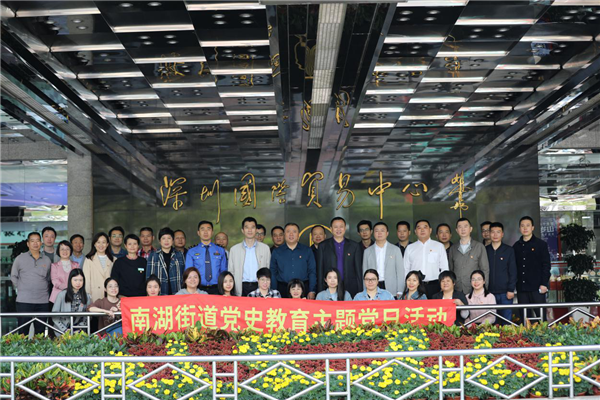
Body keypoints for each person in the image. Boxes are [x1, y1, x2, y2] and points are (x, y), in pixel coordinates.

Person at [10, 232, 52, 335]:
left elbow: (49, 279)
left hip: (42, 301)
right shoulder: (20, 259)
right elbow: (13, 276)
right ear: (28, 244)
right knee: (23, 332)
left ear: (41, 243)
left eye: (37, 241)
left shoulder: (47, 260)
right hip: (24, 301)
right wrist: (21, 288)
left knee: (40, 332)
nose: (35, 243)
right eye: (32, 241)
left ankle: (39, 346)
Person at [513, 216, 551, 322]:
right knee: (524, 319)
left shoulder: (541, 244)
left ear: (532, 227)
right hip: (522, 288)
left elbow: (546, 265)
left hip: (537, 288)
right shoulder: (516, 246)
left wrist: (544, 284)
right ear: (519, 228)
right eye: (522, 226)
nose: (525, 228)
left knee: (541, 318)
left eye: (528, 225)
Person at [317, 217, 363, 297]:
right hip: (329, 287)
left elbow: (358, 271)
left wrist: (360, 291)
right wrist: (320, 290)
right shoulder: (323, 246)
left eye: (341, 226)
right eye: (335, 227)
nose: (338, 229)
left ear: (345, 228)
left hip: (350, 286)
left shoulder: (354, 246)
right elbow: (320, 270)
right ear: (331, 229)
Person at [404, 220, 449, 298]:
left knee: (434, 305)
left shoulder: (439, 246)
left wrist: (444, 285)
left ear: (430, 230)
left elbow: (444, 267)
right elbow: (406, 269)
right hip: (416, 286)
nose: (422, 230)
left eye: (425, 227)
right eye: (419, 228)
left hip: (435, 285)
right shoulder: (410, 248)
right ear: (415, 231)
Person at [271, 223, 317, 299]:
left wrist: (312, 290)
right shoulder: (277, 252)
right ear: (284, 234)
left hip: (302, 289)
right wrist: (274, 292)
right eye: (288, 231)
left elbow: (312, 271)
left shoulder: (307, 250)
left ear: (298, 234)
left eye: (294, 232)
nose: (291, 234)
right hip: (282, 289)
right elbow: (273, 273)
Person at [229, 217, 271, 296]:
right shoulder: (234, 250)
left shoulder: (265, 248)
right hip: (241, 287)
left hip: (260, 286)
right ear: (242, 230)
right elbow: (231, 272)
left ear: (256, 230)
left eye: (252, 227)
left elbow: (268, 269)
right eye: (247, 227)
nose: (250, 230)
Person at [362, 222, 405, 298]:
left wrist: (400, 290)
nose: (379, 233)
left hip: (391, 287)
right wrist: (365, 290)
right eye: (377, 231)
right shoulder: (367, 251)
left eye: (382, 230)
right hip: (373, 286)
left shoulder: (395, 250)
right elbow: (364, 272)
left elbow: (400, 271)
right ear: (373, 233)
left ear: (387, 233)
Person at [448, 218, 489, 295]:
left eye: (465, 226)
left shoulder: (479, 246)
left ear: (471, 229)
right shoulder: (453, 248)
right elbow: (451, 270)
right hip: (457, 289)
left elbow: (485, 270)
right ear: (456, 230)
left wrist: (484, 289)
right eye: (460, 227)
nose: (463, 229)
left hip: (474, 289)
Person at [486, 222, 517, 324]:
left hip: (505, 293)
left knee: (506, 322)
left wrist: (511, 289)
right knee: (491, 322)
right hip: (489, 293)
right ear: (489, 234)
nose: (495, 235)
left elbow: (513, 271)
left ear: (502, 234)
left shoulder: (509, 250)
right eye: (493, 232)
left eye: (498, 232)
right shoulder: (485, 250)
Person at [186, 221, 227, 294]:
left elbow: (223, 272)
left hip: (217, 289)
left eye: (208, 229)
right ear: (198, 233)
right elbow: (188, 273)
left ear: (212, 232)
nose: (205, 232)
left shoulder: (220, 250)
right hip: (198, 289)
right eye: (202, 229)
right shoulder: (191, 251)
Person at [146, 227, 185, 296]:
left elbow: (184, 275)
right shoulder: (153, 255)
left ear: (172, 240)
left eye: (169, 238)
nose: (166, 241)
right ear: (159, 241)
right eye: (163, 238)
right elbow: (149, 278)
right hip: (159, 294)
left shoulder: (179, 255)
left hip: (177, 293)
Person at [52, 269, 91, 335]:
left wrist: (79, 328)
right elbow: (54, 315)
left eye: (80, 280)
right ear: (70, 280)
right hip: (61, 330)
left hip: (79, 331)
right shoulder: (62, 294)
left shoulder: (87, 296)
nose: (78, 283)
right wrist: (65, 329)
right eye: (75, 280)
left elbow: (87, 316)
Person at [82, 232, 114, 302]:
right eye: (98, 242)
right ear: (94, 244)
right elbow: (86, 279)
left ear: (107, 244)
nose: (101, 245)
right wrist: (88, 295)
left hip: (110, 294)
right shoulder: (89, 259)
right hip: (94, 294)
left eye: (103, 242)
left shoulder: (113, 259)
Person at [50, 241, 79, 305]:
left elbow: (79, 279)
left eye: (67, 249)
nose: (65, 251)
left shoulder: (76, 265)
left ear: (71, 251)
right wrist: (69, 288)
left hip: (73, 296)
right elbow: (55, 281)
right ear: (58, 251)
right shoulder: (54, 266)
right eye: (62, 249)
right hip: (57, 297)